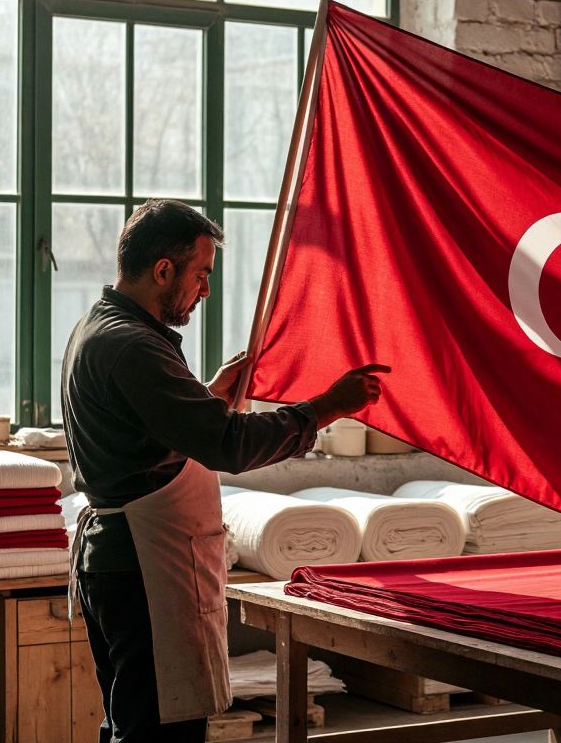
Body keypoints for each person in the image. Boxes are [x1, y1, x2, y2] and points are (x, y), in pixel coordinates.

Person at [61, 199, 389, 742]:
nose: (205, 291)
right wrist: (327, 407)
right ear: (163, 269)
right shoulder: (134, 346)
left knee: (131, 721)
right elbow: (230, 446)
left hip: (119, 559)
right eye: (200, 274)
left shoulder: (99, 328)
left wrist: (206, 397)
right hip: (144, 566)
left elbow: (146, 438)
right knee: (159, 731)